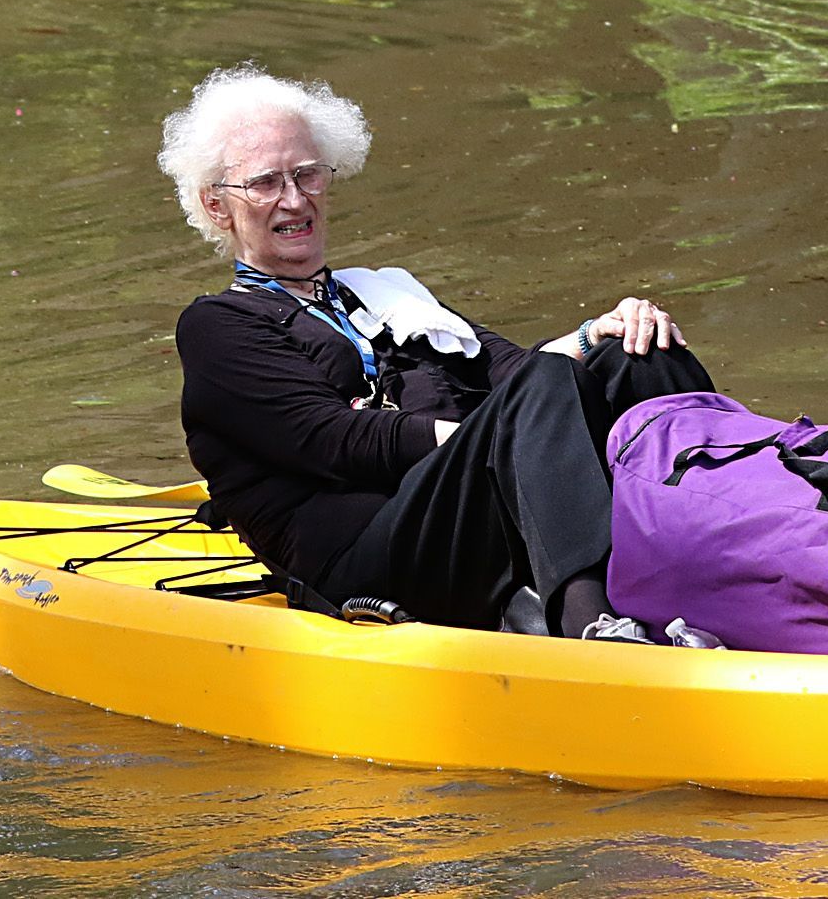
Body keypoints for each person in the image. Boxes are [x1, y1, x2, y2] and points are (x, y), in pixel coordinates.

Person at [165, 65, 714, 638]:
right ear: (216, 206)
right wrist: (496, 438)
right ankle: (593, 628)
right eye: (266, 183)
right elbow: (330, 440)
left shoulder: (382, 292)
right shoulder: (218, 326)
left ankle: (726, 556)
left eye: (308, 175)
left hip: (461, 504)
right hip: (367, 555)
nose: (295, 199)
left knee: (640, 353)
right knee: (543, 392)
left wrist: (599, 333)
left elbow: (514, 373)